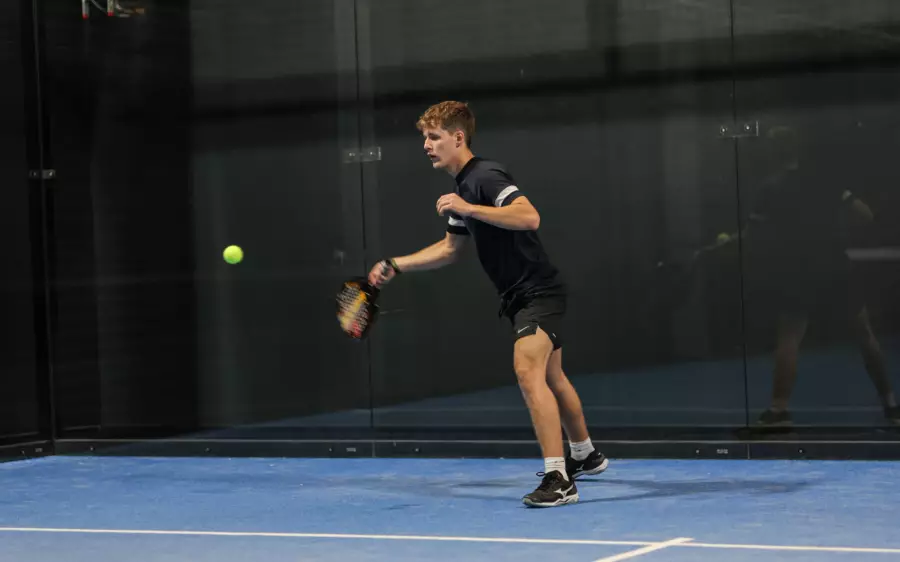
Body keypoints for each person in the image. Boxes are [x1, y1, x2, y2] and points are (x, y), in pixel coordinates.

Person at [367, 101, 607, 507]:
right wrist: (396, 265)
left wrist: (468, 207)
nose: (426, 145)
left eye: (434, 137)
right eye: (425, 138)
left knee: (526, 369)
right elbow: (449, 249)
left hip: (538, 292)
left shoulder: (484, 176)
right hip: (521, 295)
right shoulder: (462, 188)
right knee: (552, 376)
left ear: (458, 138)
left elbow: (528, 217)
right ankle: (585, 454)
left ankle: (559, 479)